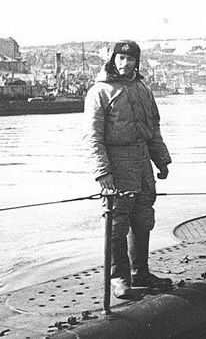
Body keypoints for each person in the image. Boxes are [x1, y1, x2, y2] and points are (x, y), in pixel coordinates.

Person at [84, 40, 173, 299]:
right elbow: (92, 136)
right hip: (117, 162)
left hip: (142, 161)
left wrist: (161, 160)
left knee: (143, 218)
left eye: (130, 59)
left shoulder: (143, 89)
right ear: (113, 60)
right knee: (117, 222)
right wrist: (102, 172)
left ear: (137, 62)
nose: (125, 63)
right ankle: (119, 279)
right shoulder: (100, 92)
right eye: (120, 58)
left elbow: (153, 129)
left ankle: (140, 273)